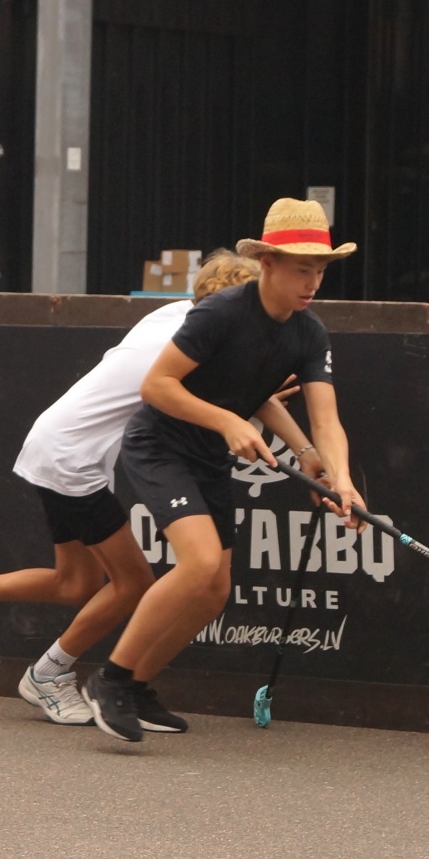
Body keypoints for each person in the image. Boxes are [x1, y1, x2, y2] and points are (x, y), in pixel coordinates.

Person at [0, 252, 332, 727]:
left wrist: (301, 445)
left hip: (55, 443)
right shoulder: (191, 339)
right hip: (73, 460)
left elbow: (243, 390)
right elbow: (220, 395)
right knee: (133, 584)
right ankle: (49, 674)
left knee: (76, 583)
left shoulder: (177, 315)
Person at [81, 198, 365, 744]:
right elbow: (156, 386)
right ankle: (109, 679)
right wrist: (227, 421)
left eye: (320, 270)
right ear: (268, 264)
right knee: (201, 562)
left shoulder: (310, 333)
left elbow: (326, 421)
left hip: (207, 457)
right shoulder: (221, 312)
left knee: (214, 590)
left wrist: (337, 476)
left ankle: (137, 686)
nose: (312, 282)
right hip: (159, 446)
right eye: (302, 269)